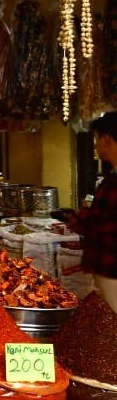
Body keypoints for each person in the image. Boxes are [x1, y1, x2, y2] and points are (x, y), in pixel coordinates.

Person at [69, 111, 117, 310]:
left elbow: (106, 224)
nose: (96, 145)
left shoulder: (114, 183)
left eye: (97, 139)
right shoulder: (112, 178)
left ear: (106, 139)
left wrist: (80, 220)